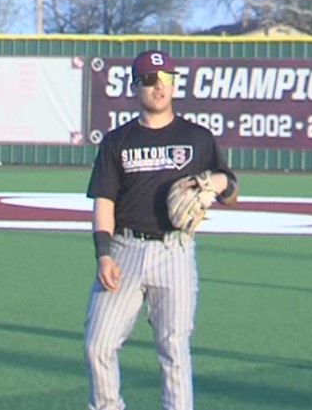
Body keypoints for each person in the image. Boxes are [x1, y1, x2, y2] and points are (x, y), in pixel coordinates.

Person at [84, 49, 239, 410]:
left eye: (166, 78)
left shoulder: (197, 138)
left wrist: (218, 182)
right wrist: (104, 255)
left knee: (174, 350)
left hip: (175, 250)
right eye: (150, 79)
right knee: (98, 345)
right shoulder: (117, 141)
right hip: (124, 250)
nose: (159, 86)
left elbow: (232, 192)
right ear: (135, 86)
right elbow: (104, 202)